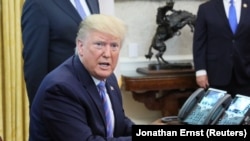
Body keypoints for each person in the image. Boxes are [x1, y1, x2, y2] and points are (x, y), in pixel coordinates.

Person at [29, 14, 135, 141]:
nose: (107, 54)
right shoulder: (60, 88)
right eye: (99, 44)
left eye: (114, 46)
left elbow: (120, 124)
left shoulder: (109, 78)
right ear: (80, 46)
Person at [21, 0, 100, 106]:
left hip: (96, 101)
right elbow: (35, 66)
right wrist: (41, 111)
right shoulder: (37, 3)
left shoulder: (93, 1)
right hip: (61, 102)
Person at [192, 0, 250, 97]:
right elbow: (199, 42)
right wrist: (200, 71)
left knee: (244, 111)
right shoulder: (206, 8)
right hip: (215, 75)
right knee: (216, 111)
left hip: (245, 74)